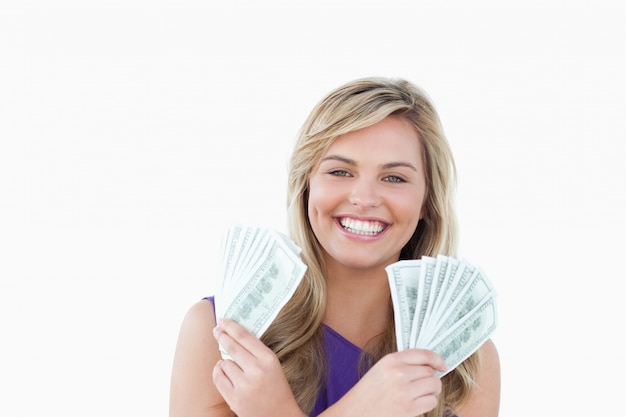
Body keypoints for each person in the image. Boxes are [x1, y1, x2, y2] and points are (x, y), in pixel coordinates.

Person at [169, 76, 501, 417]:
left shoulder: (468, 359)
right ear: (306, 186)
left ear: (427, 202)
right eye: (340, 171)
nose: (364, 198)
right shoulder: (219, 333)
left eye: (394, 178)